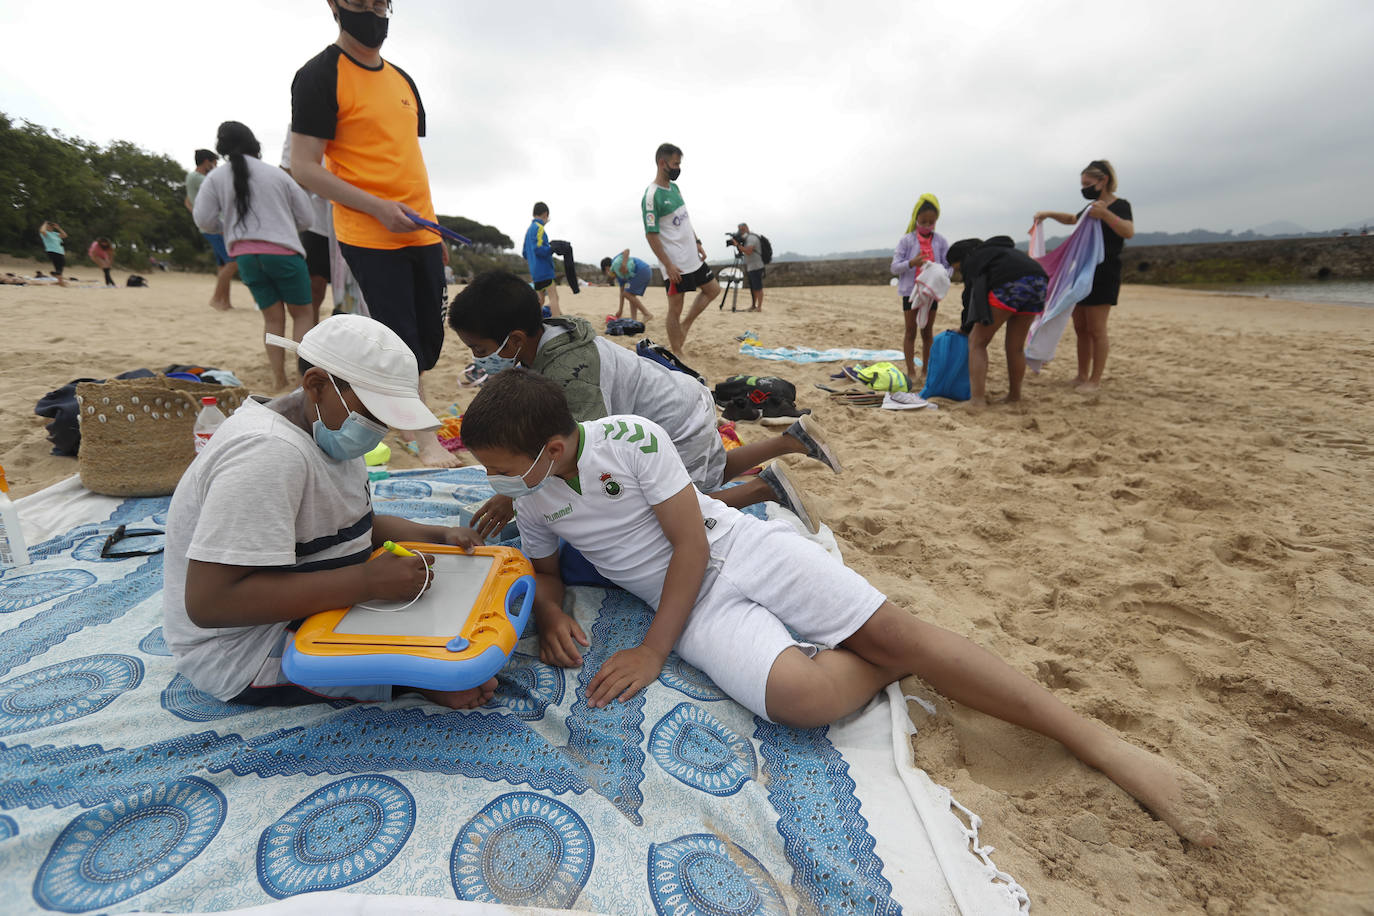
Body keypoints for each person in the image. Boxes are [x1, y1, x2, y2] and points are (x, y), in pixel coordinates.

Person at [460, 368, 1220, 848]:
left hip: (727, 552)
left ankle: (1094, 741)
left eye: (502, 469)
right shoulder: (535, 491)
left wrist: (654, 652)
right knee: (800, 700)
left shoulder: (633, 442)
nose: (498, 485)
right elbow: (547, 569)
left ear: (555, 447)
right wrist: (553, 612)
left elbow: (692, 547)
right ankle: (884, 662)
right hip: (684, 605)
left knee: (902, 634)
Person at [162, 314, 492, 711]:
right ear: (317, 385)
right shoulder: (267, 455)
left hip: (312, 593)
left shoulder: (327, 429)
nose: (380, 427)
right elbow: (211, 604)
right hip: (245, 649)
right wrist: (366, 583)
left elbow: (349, 528)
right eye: (373, 412)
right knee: (451, 660)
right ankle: (406, 683)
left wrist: (431, 534)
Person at [448, 270, 841, 537]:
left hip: (672, 419)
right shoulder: (550, 337)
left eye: (480, 349)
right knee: (712, 466)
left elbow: (579, 449)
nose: (479, 358)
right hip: (680, 399)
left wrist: (513, 493)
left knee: (678, 507)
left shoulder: (571, 375)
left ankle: (763, 489)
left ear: (515, 339)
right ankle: (791, 440)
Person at [288, 0, 457, 468]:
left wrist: (432, 226)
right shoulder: (320, 75)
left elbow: (405, 160)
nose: (372, 12)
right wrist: (378, 208)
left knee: (427, 342)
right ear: (334, 5)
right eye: (358, 3)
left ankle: (406, 415)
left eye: (379, 2)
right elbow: (304, 167)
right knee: (398, 338)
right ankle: (423, 440)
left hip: (421, 229)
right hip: (369, 230)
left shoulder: (403, 81)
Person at [194, 121, 317, 391]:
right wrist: (283, 225)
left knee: (272, 319)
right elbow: (307, 218)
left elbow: (203, 220)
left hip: (246, 256)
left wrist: (227, 228)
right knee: (303, 315)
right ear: (254, 144)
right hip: (284, 253)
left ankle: (278, 379)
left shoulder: (216, 177)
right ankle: (302, 380)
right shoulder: (277, 175)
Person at [1033, 160, 1134, 392]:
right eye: (1082, 184)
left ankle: (1094, 380)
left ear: (1103, 180)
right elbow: (1073, 220)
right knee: (1080, 327)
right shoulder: (1090, 208)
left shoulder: (1120, 206)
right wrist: (1047, 214)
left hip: (1104, 272)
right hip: (1081, 271)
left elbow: (1128, 231)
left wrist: (1106, 215)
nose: (1085, 188)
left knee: (1097, 328)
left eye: (1088, 183)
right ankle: (1081, 374)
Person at [947, 236, 1047, 409]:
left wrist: (965, 328)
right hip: (1039, 282)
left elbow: (971, 296)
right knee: (1015, 347)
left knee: (977, 342)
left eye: (959, 269)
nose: (961, 274)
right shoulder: (1000, 253)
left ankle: (977, 401)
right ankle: (1015, 397)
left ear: (963, 258)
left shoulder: (974, 259)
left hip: (1010, 284)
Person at [643, 143, 720, 353]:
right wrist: (668, 265)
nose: (678, 168)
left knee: (713, 290)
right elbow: (651, 234)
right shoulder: (651, 196)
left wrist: (697, 242)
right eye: (676, 163)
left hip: (692, 257)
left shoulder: (675, 188)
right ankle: (677, 352)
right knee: (675, 309)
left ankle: (685, 326)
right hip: (675, 264)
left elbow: (685, 220)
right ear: (662, 163)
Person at [890, 194, 951, 379]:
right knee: (910, 331)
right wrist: (912, 263)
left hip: (930, 293)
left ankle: (926, 370)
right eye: (923, 221)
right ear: (916, 218)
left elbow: (949, 267)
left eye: (931, 222)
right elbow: (894, 267)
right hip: (910, 292)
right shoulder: (906, 240)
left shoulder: (940, 241)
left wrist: (940, 274)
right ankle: (910, 371)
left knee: (927, 332)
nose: (927, 225)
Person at [280, 130, 334, 323]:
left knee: (353, 293)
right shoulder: (300, 122)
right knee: (314, 287)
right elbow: (287, 171)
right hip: (316, 222)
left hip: (359, 218)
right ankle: (311, 345)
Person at [185, 149, 238, 310]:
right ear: (207, 161)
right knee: (233, 263)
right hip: (216, 226)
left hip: (210, 225)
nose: (215, 166)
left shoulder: (192, 178)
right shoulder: (200, 178)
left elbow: (187, 201)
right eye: (214, 162)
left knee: (223, 265)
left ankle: (225, 302)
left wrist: (197, 215)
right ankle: (216, 298)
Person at [523, 202, 560, 316]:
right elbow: (538, 249)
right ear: (545, 214)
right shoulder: (539, 228)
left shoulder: (529, 230)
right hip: (544, 271)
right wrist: (551, 249)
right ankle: (557, 322)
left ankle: (535, 322)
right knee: (554, 297)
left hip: (535, 272)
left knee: (541, 300)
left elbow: (525, 253)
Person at [600, 250, 655, 321]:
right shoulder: (618, 275)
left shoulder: (615, 261)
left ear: (607, 268)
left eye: (606, 272)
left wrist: (624, 264)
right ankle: (634, 320)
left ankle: (647, 314)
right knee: (630, 295)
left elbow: (627, 251)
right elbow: (622, 293)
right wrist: (620, 310)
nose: (608, 275)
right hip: (645, 270)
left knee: (627, 294)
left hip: (642, 270)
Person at [729, 222, 767, 312]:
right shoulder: (747, 239)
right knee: (753, 287)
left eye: (741, 229)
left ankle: (759, 307)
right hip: (751, 266)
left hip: (756, 266)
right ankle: (754, 305)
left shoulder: (751, 238)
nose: (740, 232)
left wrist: (737, 245)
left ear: (746, 228)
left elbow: (748, 251)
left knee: (758, 287)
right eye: (739, 230)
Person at [38, 221, 67, 287]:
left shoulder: (55, 234)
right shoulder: (45, 233)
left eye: (51, 226)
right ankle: (60, 281)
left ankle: (57, 277)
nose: (50, 227)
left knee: (61, 265)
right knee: (58, 266)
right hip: (52, 251)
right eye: (49, 226)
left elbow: (65, 235)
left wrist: (58, 228)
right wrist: (45, 224)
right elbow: (42, 230)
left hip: (60, 251)